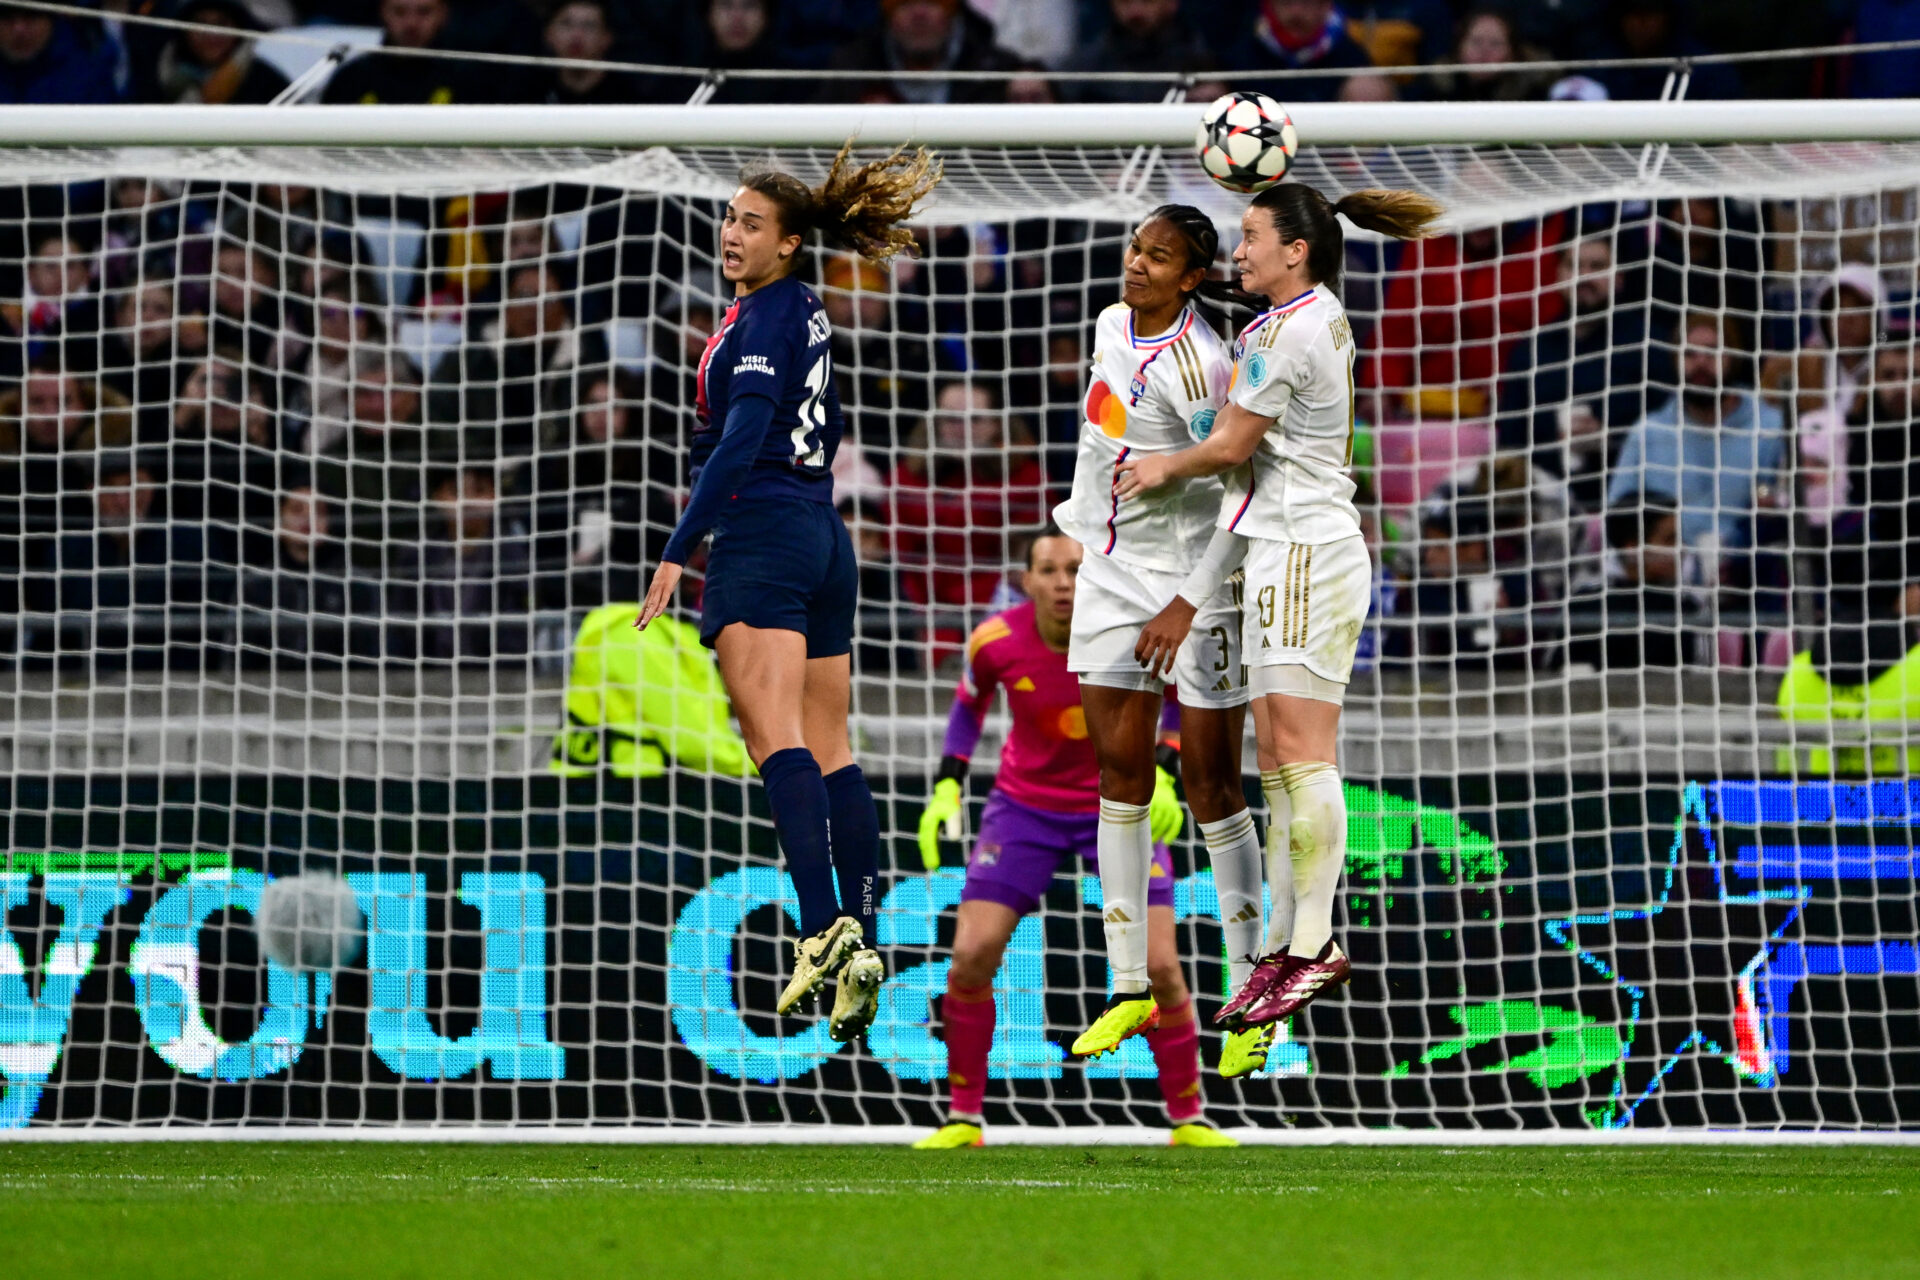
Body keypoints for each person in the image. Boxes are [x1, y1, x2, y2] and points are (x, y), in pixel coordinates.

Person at [1114, 180, 1444, 1032]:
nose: (1242, 248)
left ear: (1295, 249)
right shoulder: (1300, 316)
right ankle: (1281, 951)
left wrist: (1159, 467)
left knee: (1302, 759)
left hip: (1305, 552)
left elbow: (1228, 448)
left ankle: (1315, 945)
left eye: (1254, 234)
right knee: (1279, 769)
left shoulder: (1290, 331)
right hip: (1287, 550)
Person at [635, 142, 942, 1044]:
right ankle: (866, 941)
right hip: (823, 536)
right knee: (832, 745)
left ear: (791, 243)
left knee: (775, 745)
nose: (732, 233)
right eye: (730, 217)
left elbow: (741, 440)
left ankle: (821, 930)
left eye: (753, 224)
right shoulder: (800, 308)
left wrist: (677, 549)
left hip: (764, 536)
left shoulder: (765, 317)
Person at [1039, 204, 1271, 1082]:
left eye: (1158, 256)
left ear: (1193, 275)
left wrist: (1187, 600)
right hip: (1107, 573)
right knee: (1121, 779)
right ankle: (1130, 984)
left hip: (1196, 588)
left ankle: (1253, 991)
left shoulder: (1208, 365)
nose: (1136, 263)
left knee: (1211, 785)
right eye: (1136, 247)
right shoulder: (1108, 322)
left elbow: (1247, 493)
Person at [910, 529, 1236, 1150]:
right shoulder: (995, 641)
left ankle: (1189, 1118)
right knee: (971, 956)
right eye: (1048, 569)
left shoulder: (1133, 635)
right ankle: (963, 1116)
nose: (1063, 581)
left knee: (1162, 966)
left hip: (1118, 805)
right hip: (1023, 810)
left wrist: (1163, 774)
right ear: (1027, 580)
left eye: (1074, 569)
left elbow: (1179, 701)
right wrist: (948, 784)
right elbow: (968, 706)